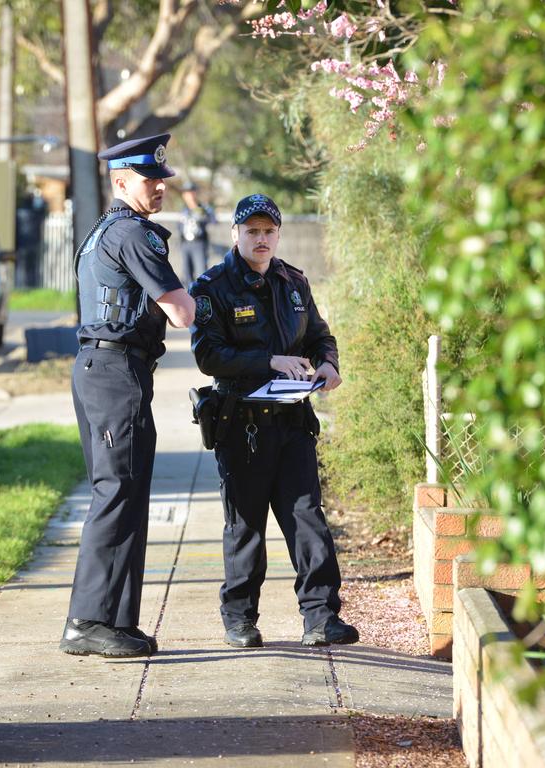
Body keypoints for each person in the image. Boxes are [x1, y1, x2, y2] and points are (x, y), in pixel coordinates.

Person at [189, 193, 359, 649]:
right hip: (241, 424)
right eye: (252, 231)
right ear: (236, 234)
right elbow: (208, 356)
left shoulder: (293, 283)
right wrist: (270, 361)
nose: (261, 239)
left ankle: (321, 617)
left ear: (278, 234)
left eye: (268, 232)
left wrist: (328, 364)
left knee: (307, 518)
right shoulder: (213, 287)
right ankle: (240, 620)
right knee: (245, 526)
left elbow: (321, 335)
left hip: (292, 421)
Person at [61, 133, 196, 658]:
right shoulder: (134, 235)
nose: (159, 187)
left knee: (128, 491)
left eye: (162, 178)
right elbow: (181, 312)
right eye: (150, 179)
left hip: (108, 369)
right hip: (116, 372)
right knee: (116, 492)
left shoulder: (106, 231)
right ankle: (87, 621)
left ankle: (115, 620)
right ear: (121, 182)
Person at [178, 182, 215, 285]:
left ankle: (203, 297)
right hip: (186, 243)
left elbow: (213, 220)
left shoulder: (203, 208)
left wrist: (199, 213)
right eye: (186, 193)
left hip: (199, 243)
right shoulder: (183, 210)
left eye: (191, 192)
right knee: (187, 274)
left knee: (201, 272)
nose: (188, 196)